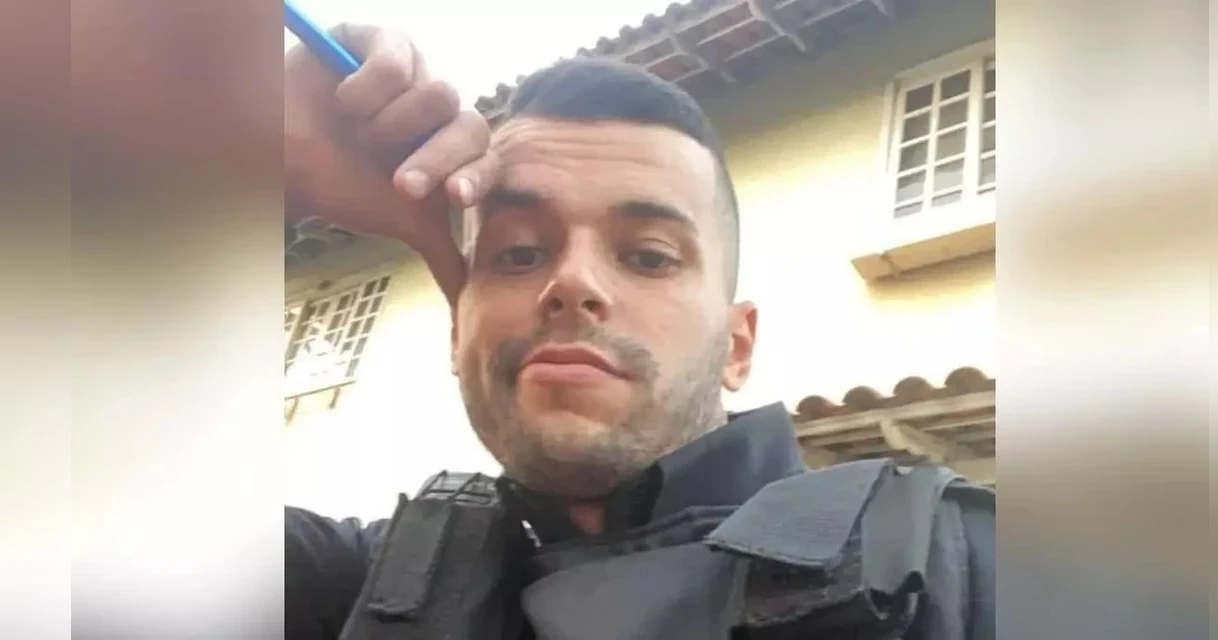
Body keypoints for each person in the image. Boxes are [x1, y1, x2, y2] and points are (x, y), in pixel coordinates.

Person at [285, 24, 995, 640]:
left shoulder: (957, 562)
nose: (573, 283)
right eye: (520, 253)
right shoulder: (358, 587)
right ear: (456, 334)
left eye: (650, 257)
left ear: (737, 345)